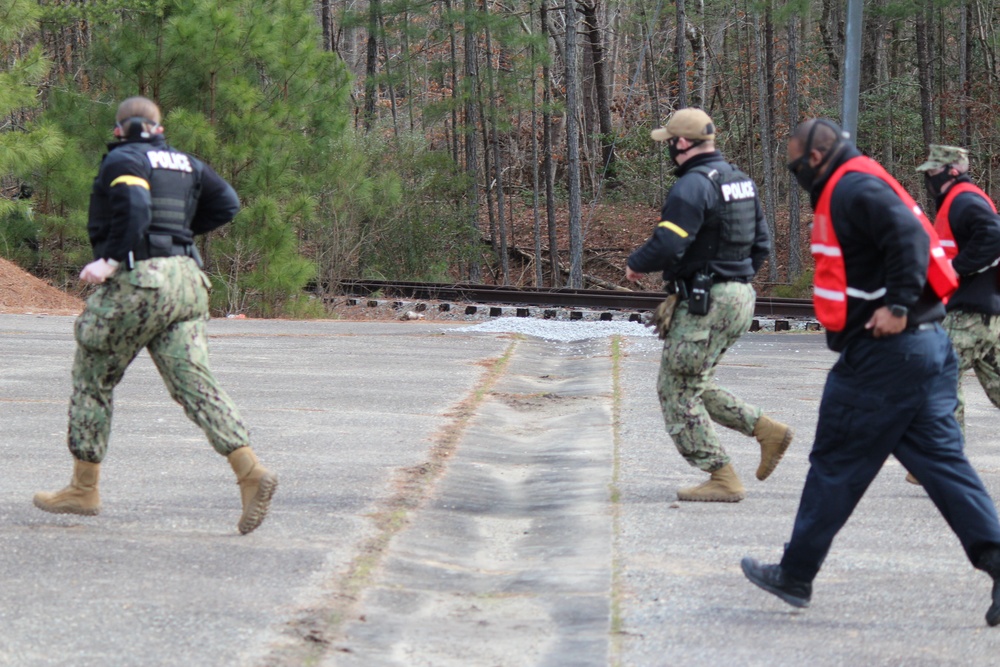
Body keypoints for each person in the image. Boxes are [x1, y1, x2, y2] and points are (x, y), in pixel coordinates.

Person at [741, 119, 1000, 626]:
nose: (794, 171)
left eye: (795, 163)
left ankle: (795, 574)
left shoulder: (854, 185)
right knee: (944, 466)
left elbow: (907, 238)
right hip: (921, 353)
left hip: (886, 355)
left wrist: (900, 305)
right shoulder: (859, 178)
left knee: (836, 462)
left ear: (815, 158)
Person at [33, 96, 277, 535]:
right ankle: (250, 471)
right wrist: (175, 235)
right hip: (188, 281)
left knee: (93, 378)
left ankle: (83, 489)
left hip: (143, 280)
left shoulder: (124, 158)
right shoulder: (187, 162)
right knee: (194, 384)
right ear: (159, 126)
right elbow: (228, 205)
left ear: (118, 128)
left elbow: (136, 206)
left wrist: (111, 259)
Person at [625, 107, 793, 503]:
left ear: (682, 144)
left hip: (708, 301)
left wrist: (637, 264)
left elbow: (668, 244)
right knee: (693, 383)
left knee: (675, 391)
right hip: (739, 297)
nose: (668, 147)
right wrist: (733, 280)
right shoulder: (741, 182)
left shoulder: (692, 185)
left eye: (669, 142)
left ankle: (722, 476)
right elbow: (762, 244)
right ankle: (767, 430)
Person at [917, 144, 1000, 429]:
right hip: (984, 314)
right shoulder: (959, 200)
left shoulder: (964, 200)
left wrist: (956, 268)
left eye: (934, 171)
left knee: (939, 380)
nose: (929, 178)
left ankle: (947, 458)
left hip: (969, 316)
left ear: (952, 172)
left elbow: (994, 234)